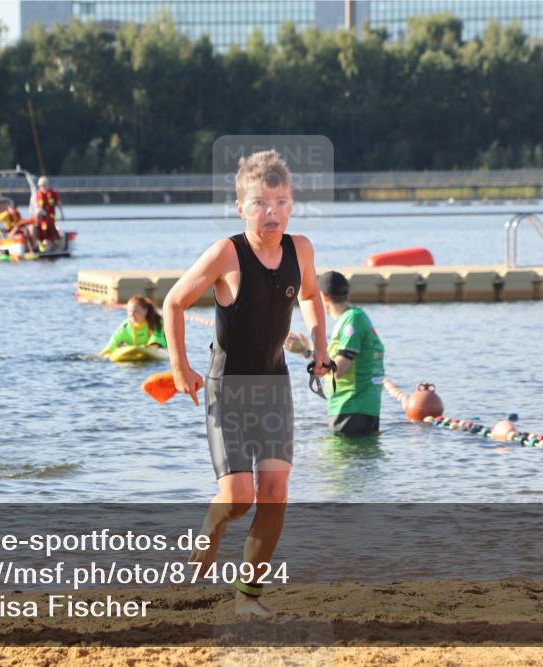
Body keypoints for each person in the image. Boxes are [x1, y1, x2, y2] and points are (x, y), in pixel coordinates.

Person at [163, 149, 331, 616]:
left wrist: (320, 349)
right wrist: (180, 368)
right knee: (238, 498)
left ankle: (247, 599)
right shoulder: (226, 253)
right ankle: (211, 529)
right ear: (242, 207)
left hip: (274, 385)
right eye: (259, 202)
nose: (270, 212)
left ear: (292, 203)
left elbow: (313, 298)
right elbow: (173, 304)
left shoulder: (302, 250)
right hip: (227, 387)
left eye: (279, 201)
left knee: (275, 493)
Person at [285, 271, 385, 437]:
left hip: (351, 410)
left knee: (337, 461)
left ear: (323, 296)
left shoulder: (351, 322)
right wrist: (307, 350)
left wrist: (306, 351)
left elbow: (337, 370)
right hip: (362, 409)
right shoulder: (356, 317)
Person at [100, 295, 167, 357]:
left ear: (145, 311)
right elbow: (114, 340)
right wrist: (106, 353)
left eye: (136, 311)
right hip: (135, 352)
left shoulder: (157, 323)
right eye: (129, 311)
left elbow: (156, 341)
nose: (132, 314)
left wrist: (144, 349)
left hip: (159, 351)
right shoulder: (125, 326)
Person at [34, 176, 63, 251]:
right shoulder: (38, 194)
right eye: (41, 186)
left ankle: (54, 242)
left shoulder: (53, 194)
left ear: (47, 185)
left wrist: (62, 215)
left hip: (51, 217)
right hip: (42, 219)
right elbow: (37, 206)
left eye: (43, 185)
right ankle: (41, 243)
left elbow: (59, 204)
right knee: (41, 228)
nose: (42, 187)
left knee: (50, 228)